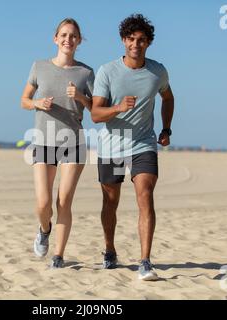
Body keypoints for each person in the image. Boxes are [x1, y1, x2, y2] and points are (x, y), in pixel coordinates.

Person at [91, 14, 174, 280]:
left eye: (141, 40)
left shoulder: (157, 71)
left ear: (148, 43)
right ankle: (109, 250)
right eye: (130, 39)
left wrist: (166, 128)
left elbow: (168, 97)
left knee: (145, 195)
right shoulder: (107, 71)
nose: (135, 44)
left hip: (143, 143)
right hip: (112, 146)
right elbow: (94, 114)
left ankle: (145, 261)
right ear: (123, 40)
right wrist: (117, 108)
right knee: (110, 202)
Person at [20, 18, 94, 268]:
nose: (68, 39)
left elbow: (97, 110)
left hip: (73, 141)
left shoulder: (86, 73)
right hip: (43, 140)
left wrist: (82, 97)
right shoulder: (39, 66)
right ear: (55, 38)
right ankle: (44, 229)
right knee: (43, 202)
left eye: (73, 36)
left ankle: (58, 256)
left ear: (79, 41)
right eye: (63, 35)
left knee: (64, 201)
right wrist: (37, 103)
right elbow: (24, 100)